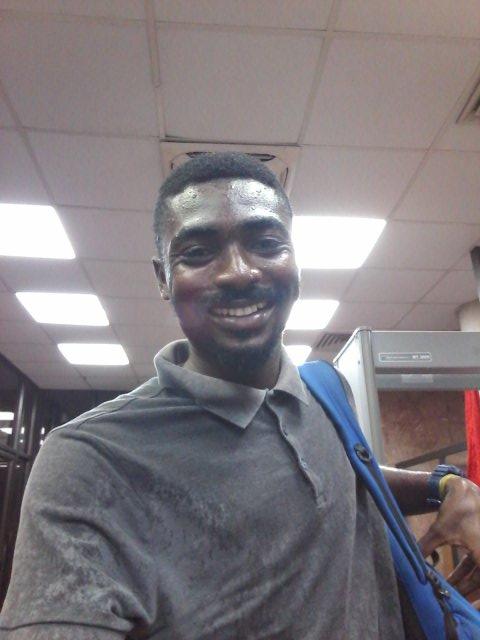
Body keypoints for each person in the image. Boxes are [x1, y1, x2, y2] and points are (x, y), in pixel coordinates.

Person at [1, 153, 479, 639]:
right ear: (163, 278)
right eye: (198, 252)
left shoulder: (326, 391)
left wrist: (443, 486)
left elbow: (346, 475)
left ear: (295, 261)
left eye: (266, 244)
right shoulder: (88, 459)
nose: (239, 272)